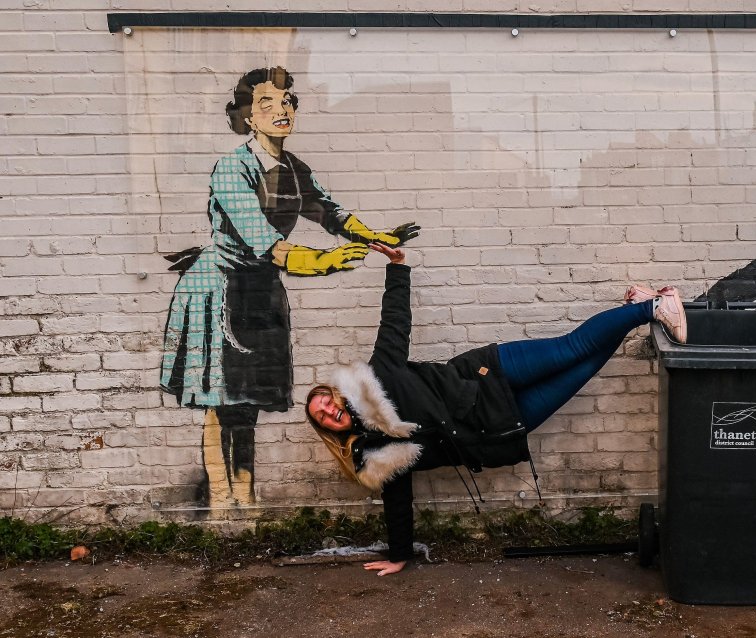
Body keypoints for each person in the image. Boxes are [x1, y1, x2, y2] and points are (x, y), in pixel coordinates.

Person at [305, 242, 686, 576]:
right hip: (503, 424)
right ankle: (636, 305)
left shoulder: (377, 377)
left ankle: (653, 306)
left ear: (336, 396)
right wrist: (400, 555)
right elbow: (398, 500)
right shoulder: (374, 457)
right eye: (320, 416)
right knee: (585, 369)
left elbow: (394, 324)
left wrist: (398, 267)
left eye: (326, 403)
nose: (327, 412)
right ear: (326, 430)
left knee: (572, 349)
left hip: (489, 374)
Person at [160, 66, 419, 512]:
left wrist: (377, 236)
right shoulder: (231, 168)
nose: (281, 109)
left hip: (260, 293)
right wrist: (324, 262)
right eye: (267, 103)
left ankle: (244, 495)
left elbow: (331, 212)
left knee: (249, 403)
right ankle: (224, 501)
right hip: (219, 291)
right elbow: (266, 242)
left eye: (287, 101)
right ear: (247, 118)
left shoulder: (293, 169)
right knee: (221, 403)